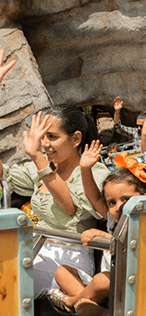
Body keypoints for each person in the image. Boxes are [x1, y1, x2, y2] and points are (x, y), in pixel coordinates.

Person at [0, 105, 110, 299]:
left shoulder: (93, 171)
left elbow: (68, 206)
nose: (44, 144)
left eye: (51, 137)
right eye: (41, 137)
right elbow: (4, 174)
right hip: (37, 248)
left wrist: (37, 157)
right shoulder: (42, 169)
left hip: (70, 261)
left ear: (75, 139)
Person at [50, 153, 146, 316]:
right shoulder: (112, 221)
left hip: (129, 289)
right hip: (106, 291)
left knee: (101, 280)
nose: (119, 207)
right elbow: (94, 197)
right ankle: (98, 311)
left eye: (126, 199)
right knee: (62, 271)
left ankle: (71, 302)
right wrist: (85, 169)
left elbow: (133, 246)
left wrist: (105, 237)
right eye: (112, 202)